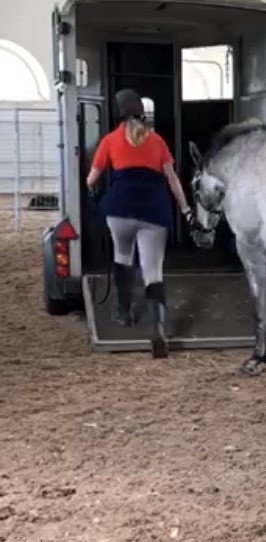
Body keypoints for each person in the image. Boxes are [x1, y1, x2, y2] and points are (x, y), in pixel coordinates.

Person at [85, 88, 192, 359]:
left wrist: (94, 193)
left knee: (122, 256)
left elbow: (91, 179)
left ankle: (124, 312)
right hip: (154, 211)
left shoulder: (109, 140)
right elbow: (172, 180)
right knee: (153, 270)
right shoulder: (157, 141)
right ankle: (156, 326)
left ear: (118, 113)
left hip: (119, 209)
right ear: (143, 113)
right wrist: (185, 208)